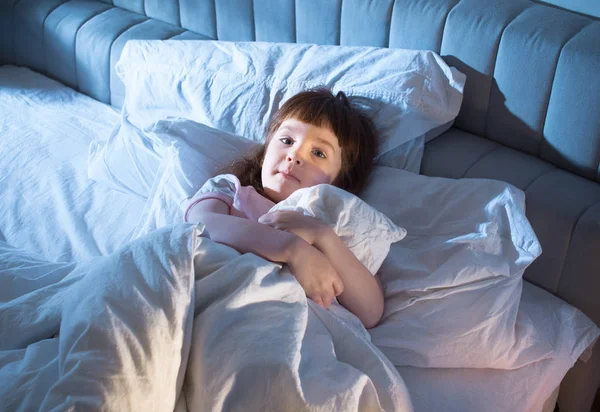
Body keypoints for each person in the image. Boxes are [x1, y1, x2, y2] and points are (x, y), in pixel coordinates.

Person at [184, 88, 383, 328]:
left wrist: (323, 236)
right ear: (266, 149)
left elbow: (370, 313)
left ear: (340, 181)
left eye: (318, 153)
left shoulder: (334, 225)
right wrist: (292, 249)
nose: (294, 155)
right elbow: (201, 224)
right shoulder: (231, 189)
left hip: (280, 325)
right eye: (287, 141)